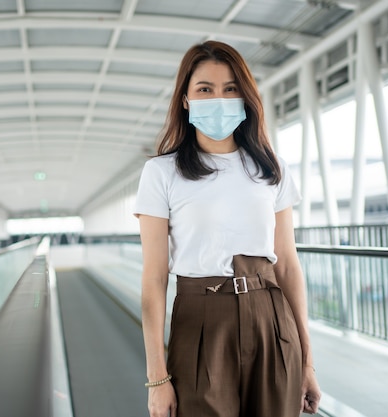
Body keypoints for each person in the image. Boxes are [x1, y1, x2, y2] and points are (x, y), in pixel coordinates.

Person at [133, 41, 321, 417]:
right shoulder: (162, 173)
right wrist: (157, 378)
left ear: (245, 97)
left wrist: (307, 364)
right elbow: (154, 279)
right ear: (185, 99)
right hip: (201, 322)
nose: (219, 98)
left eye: (230, 88)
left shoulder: (272, 169)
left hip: (272, 321)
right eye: (205, 89)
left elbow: (287, 267)